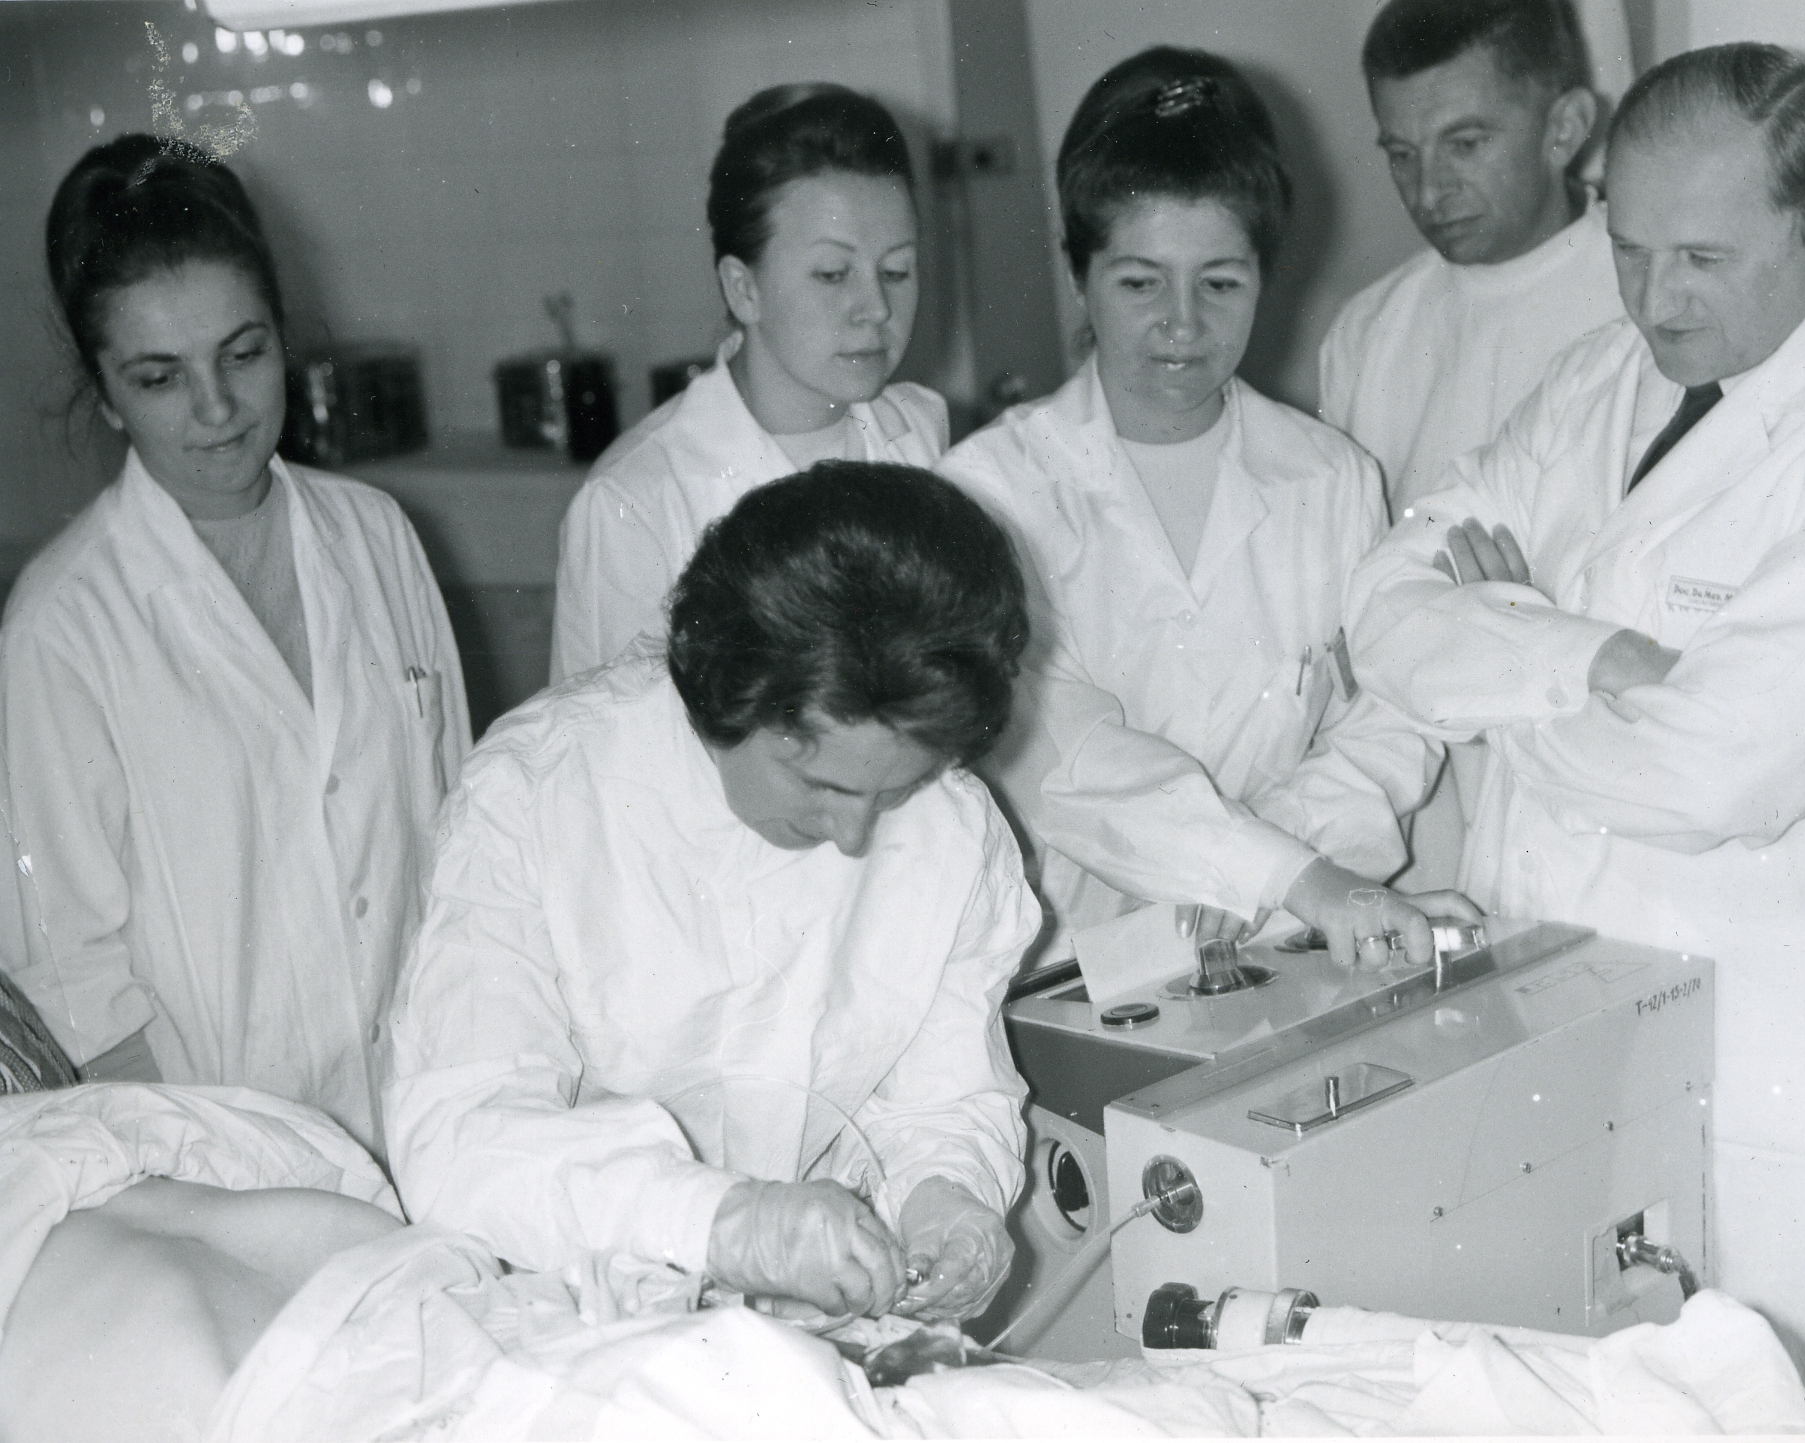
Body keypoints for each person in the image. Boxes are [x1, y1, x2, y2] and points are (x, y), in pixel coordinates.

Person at [1345, 43, 1805, 1433]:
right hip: (1552, 1018)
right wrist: (1588, 658)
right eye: (1628, 251)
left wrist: (1501, 649)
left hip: (1776, 1045)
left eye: (1700, 258)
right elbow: (1381, 610)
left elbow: (1717, 770)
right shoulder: (1595, 379)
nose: (1652, 299)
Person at [388, 461, 1035, 1324]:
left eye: (895, 790)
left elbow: (942, 1097)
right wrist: (721, 1220)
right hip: (569, 1314)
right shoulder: (539, 791)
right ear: (727, 695)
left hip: (809, 1325)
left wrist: (947, 1198)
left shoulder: (954, 829)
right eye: (821, 784)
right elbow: (462, 1136)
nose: (854, 834)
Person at [939, 47, 1469, 967]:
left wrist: (1279, 873)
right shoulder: (988, 490)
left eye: (1220, 282)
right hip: (1072, 967)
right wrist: (1276, 873)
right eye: (1140, 282)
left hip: (1297, 943)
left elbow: (1390, 718)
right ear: (1078, 274)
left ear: (1266, 274)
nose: (1182, 323)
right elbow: (1064, 756)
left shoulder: (1332, 477)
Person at [0, 135, 465, 1154]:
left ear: (283, 338)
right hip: (225, 1166)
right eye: (160, 377)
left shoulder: (377, 536)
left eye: (243, 355)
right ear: (105, 392)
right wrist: (216, 1183)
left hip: (438, 1116)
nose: (217, 410)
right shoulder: (62, 630)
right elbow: (76, 986)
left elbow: (465, 847)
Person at [1320, 0, 1626, 893]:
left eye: (1465, 144)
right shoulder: (1370, 329)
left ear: (1564, 126)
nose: (1428, 191)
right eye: (1401, 154)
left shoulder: (1641, 301)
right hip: (1418, 813)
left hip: (1588, 803)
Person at [550, 84, 947, 682]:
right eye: (832, 273)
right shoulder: (636, 500)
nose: (876, 307)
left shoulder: (922, 430)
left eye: (897, 270)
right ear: (743, 289)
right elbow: (601, 731)